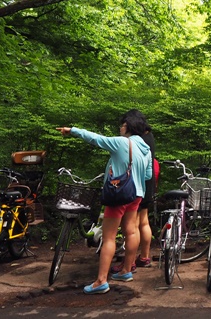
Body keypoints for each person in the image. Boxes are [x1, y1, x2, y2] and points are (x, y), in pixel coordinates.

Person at [56, 111, 153, 294]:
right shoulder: (146, 150)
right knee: (131, 231)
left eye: (122, 124)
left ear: (129, 126)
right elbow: (147, 175)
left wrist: (72, 130)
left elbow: (95, 139)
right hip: (136, 195)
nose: (120, 127)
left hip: (119, 194)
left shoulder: (121, 142)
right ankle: (126, 270)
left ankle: (101, 281)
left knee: (109, 236)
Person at [111, 110, 156, 273]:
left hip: (134, 183)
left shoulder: (135, 139)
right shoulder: (149, 136)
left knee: (132, 225)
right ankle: (144, 257)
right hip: (148, 182)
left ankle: (129, 263)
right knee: (144, 221)